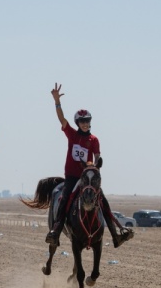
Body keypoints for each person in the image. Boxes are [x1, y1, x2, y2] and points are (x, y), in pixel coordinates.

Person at [45, 83, 132, 248]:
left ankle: (116, 235)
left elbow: (97, 157)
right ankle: (55, 232)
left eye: (87, 121)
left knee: (103, 201)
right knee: (64, 200)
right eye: (82, 121)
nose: (85, 123)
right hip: (71, 176)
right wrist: (57, 102)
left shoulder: (94, 140)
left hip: (88, 178)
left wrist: (94, 165)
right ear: (77, 123)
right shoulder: (71, 134)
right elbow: (61, 119)